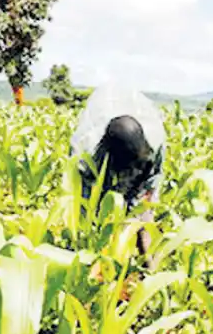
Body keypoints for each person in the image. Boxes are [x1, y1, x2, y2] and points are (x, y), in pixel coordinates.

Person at [69, 82, 166, 257]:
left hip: (137, 127)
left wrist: (140, 213)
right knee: (95, 214)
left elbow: (153, 180)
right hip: (100, 154)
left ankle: (150, 265)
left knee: (144, 213)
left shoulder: (155, 139)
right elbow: (84, 202)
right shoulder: (86, 152)